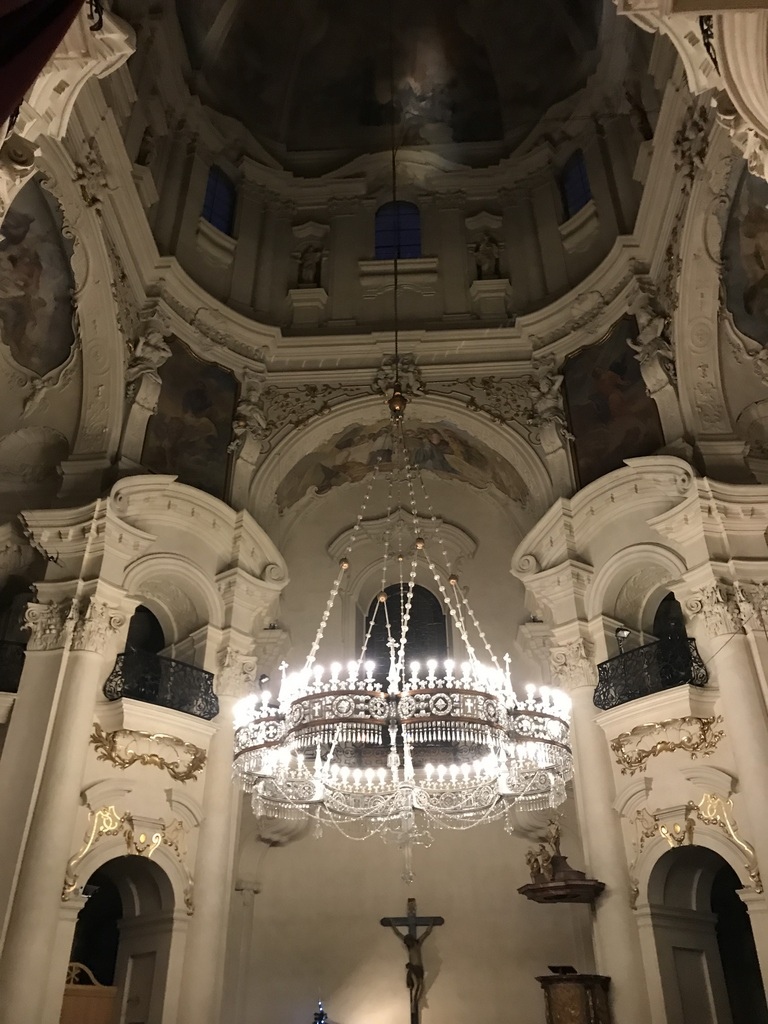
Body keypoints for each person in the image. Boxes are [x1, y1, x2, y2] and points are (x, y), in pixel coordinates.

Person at [386, 922, 435, 1014]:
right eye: (406, 942)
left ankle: (416, 1001)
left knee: (420, 985)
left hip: (418, 968)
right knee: (413, 986)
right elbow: (398, 934)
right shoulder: (409, 948)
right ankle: (414, 1002)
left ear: (411, 940)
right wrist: (392, 924)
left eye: (408, 941)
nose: (407, 943)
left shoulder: (418, 944)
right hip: (412, 967)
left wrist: (431, 923)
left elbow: (427, 933)